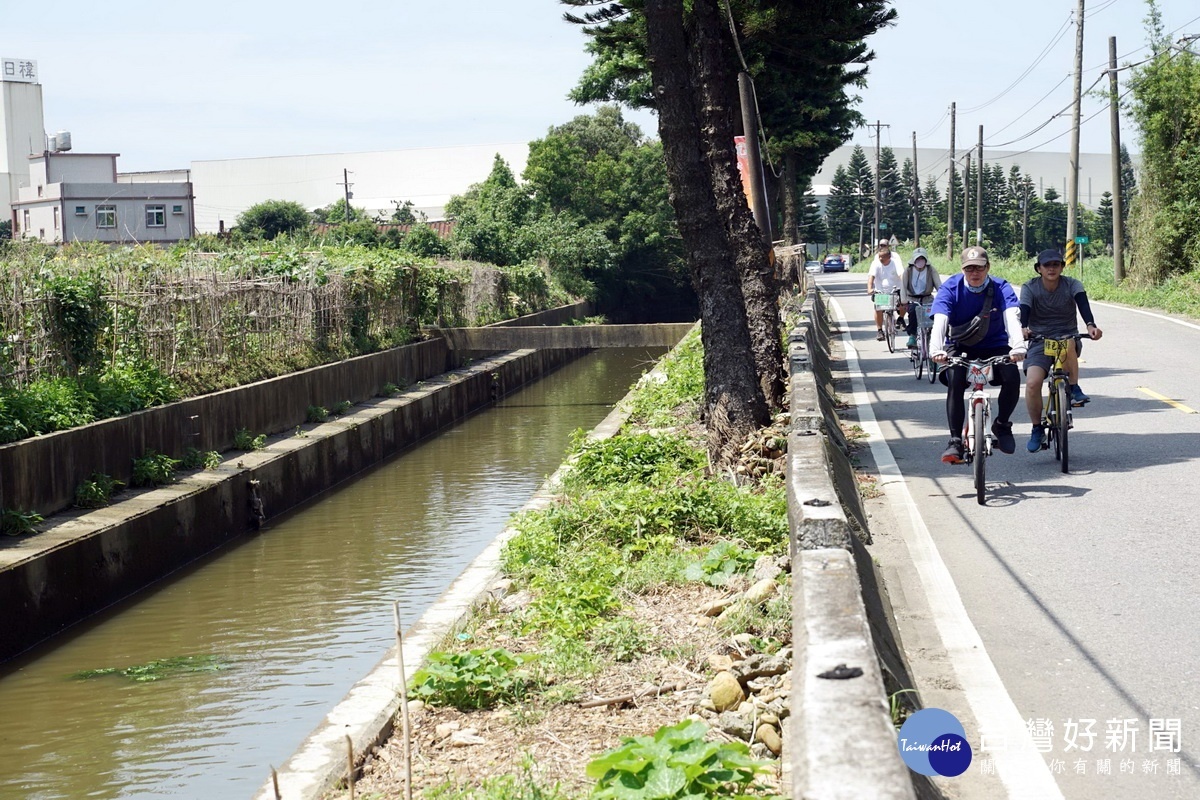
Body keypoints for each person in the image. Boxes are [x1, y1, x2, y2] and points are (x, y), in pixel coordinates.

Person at [930, 247, 1026, 463]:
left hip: (995, 345)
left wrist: (1018, 346)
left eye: (979, 268)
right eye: (969, 268)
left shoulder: (1000, 287)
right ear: (963, 269)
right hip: (960, 345)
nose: (975, 273)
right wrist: (936, 350)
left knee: (1012, 377)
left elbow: (1012, 316)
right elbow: (940, 320)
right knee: (955, 378)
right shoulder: (951, 288)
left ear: (987, 268)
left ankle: (1002, 425)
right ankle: (955, 440)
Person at [1020, 248, 1104, 452]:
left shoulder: (1072, 284)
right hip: (1039, 340)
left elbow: (1083, 305)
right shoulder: (1029, 287)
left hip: (1067, 336)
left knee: (1067, 342)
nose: (1051, 269)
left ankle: (1074, 388)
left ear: (1062, 267)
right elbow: (1024, 311)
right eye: (1046, 265)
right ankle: (1037, 428)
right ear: (1039, 268)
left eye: (1055, 265)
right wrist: (1023, 328)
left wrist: (1091, 326)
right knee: (1032, 383)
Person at [898, 247, 943, 349]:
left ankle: (933, 336)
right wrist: (904, 301)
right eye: (917, 259)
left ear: (926, 260)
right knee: (913, 312)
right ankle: (912, 336)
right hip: (913, 299)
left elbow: (939, 286)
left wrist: (943, 299)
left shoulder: (931, 270)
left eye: (922, 259)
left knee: (933, 316)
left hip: (927, 299)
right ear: (913, 260)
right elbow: (903, 287)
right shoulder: (908, 271)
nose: (920, 261)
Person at [865, 238, 905, 341]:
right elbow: (871, 277)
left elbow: (901, 274)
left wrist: (905, 286)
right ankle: (879, 330)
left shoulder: (896, 261)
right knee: (878, 308)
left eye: (883, 257)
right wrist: (870, 288)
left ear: (889, 256)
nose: (881, 259)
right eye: (881, 245)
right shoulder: (876, 262)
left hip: (895, 289)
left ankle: (900, 319)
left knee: (904, 302)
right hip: (881, 290)